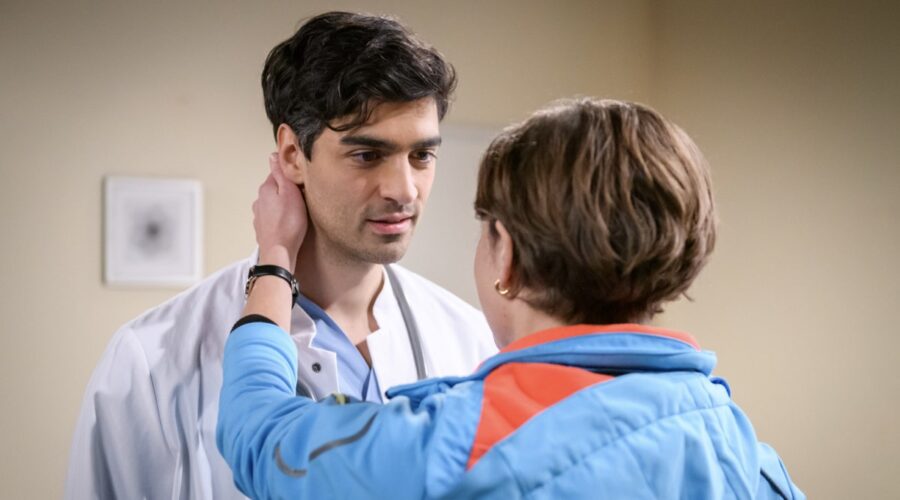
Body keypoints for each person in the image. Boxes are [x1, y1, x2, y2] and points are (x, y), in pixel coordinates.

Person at [218, 98, 806, 499]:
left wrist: (274, 257)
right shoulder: (749, 456)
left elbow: (257, 434)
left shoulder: (457, 441)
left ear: (508, 256)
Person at [65, 12, 496, 500]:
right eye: (367, 155)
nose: (404, 190)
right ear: (293, 154)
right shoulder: (148, 364)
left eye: (422, 156)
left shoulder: (472, 342)